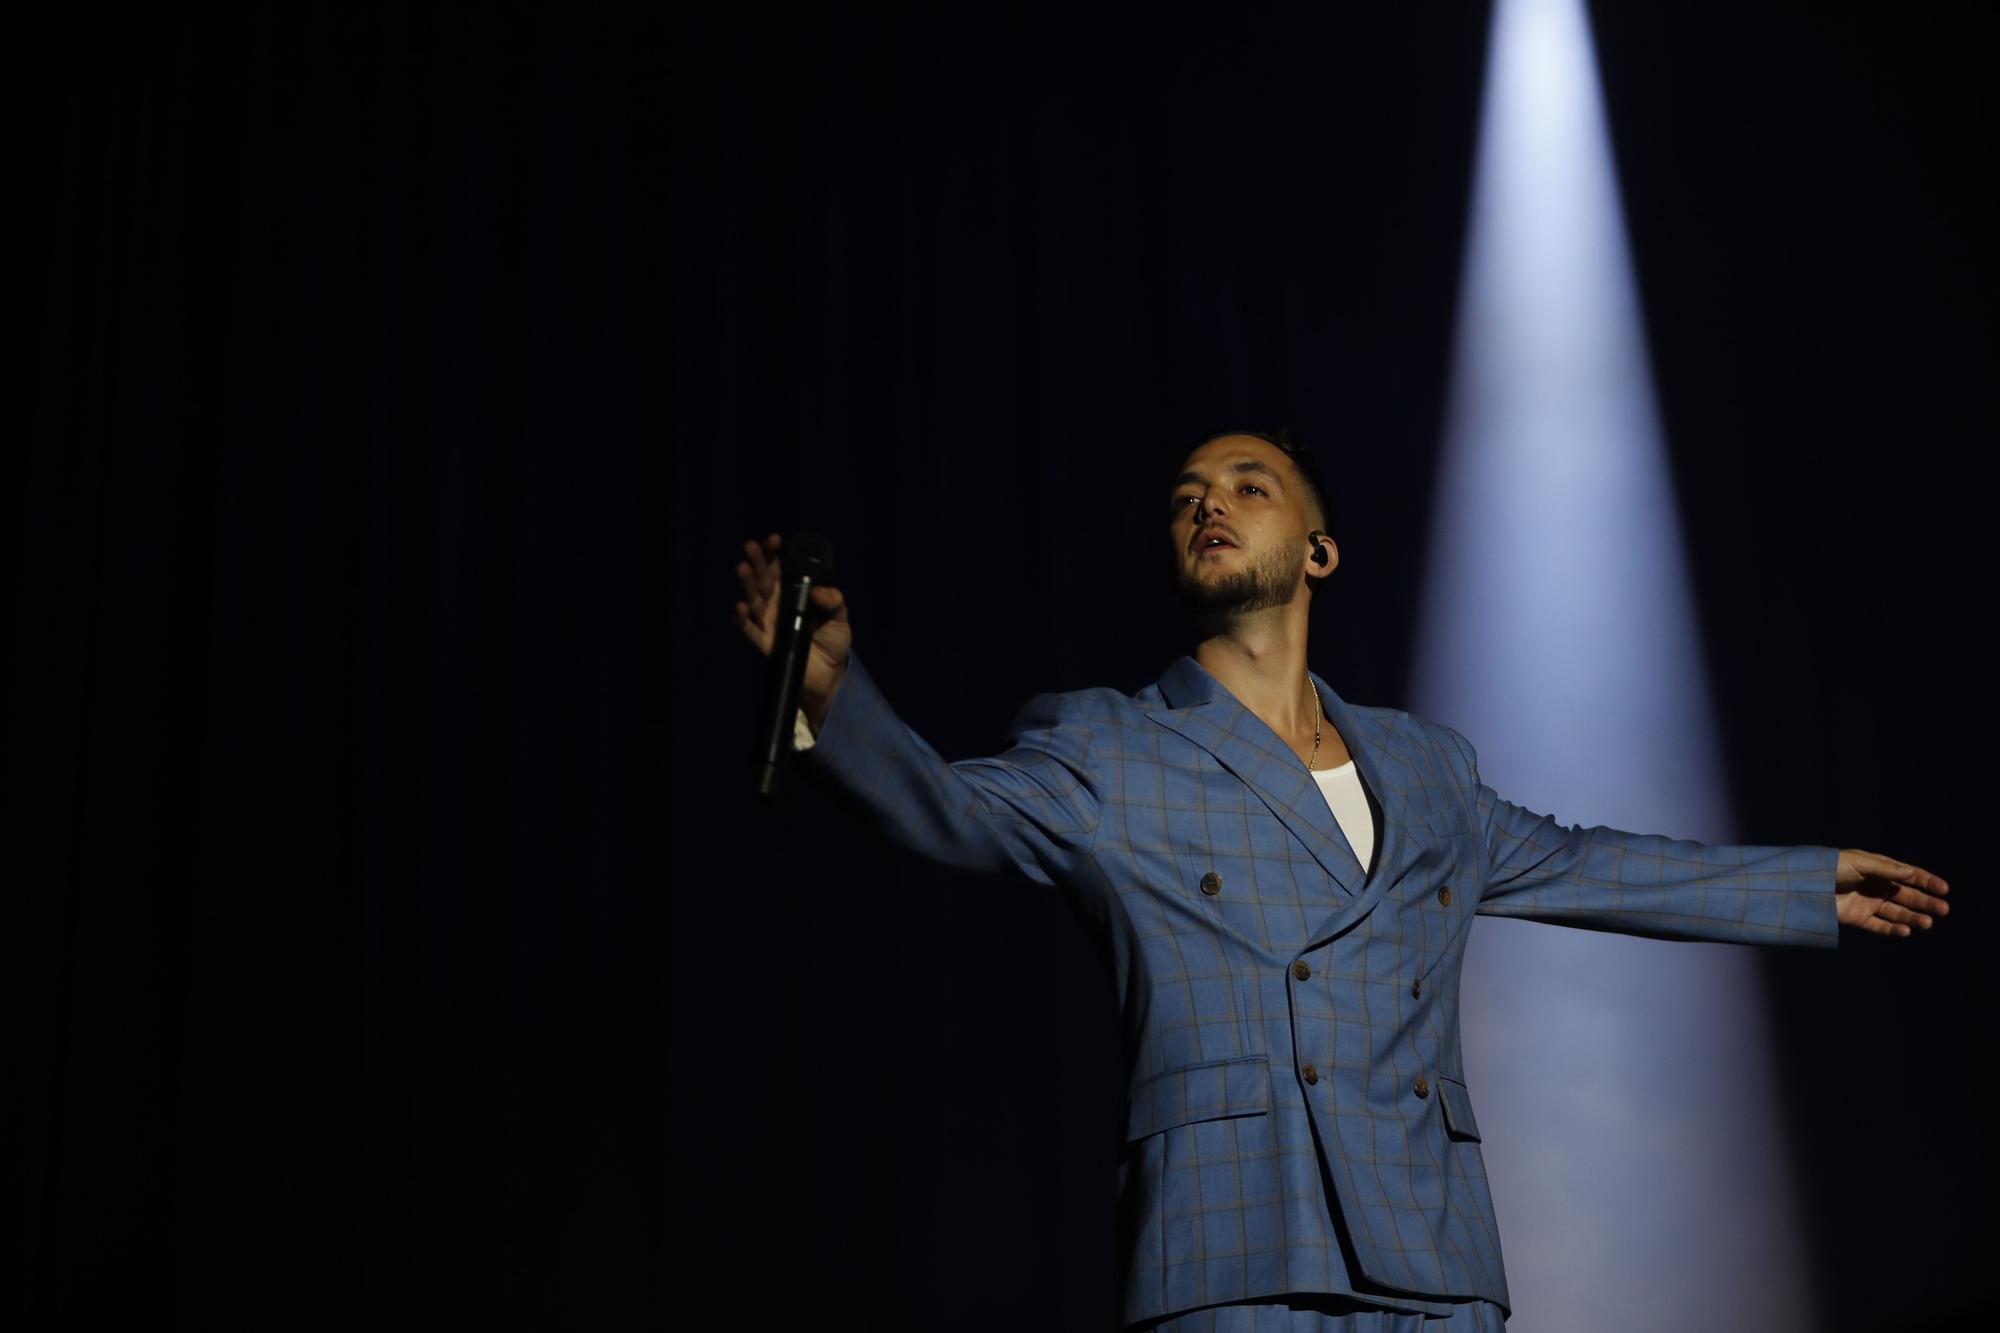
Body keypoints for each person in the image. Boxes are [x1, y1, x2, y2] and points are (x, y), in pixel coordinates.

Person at [729, 429, 1950, 1331]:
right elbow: (951, 811)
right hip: (1233, 1252)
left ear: (1316, 548)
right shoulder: (1110, 742)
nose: (1209, 505)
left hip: (1431, 1258)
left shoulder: (1425, 766)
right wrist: (829, 687)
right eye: (1184, 499)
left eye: (1245, 488)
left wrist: (1801, 886)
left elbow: (1582, 862)